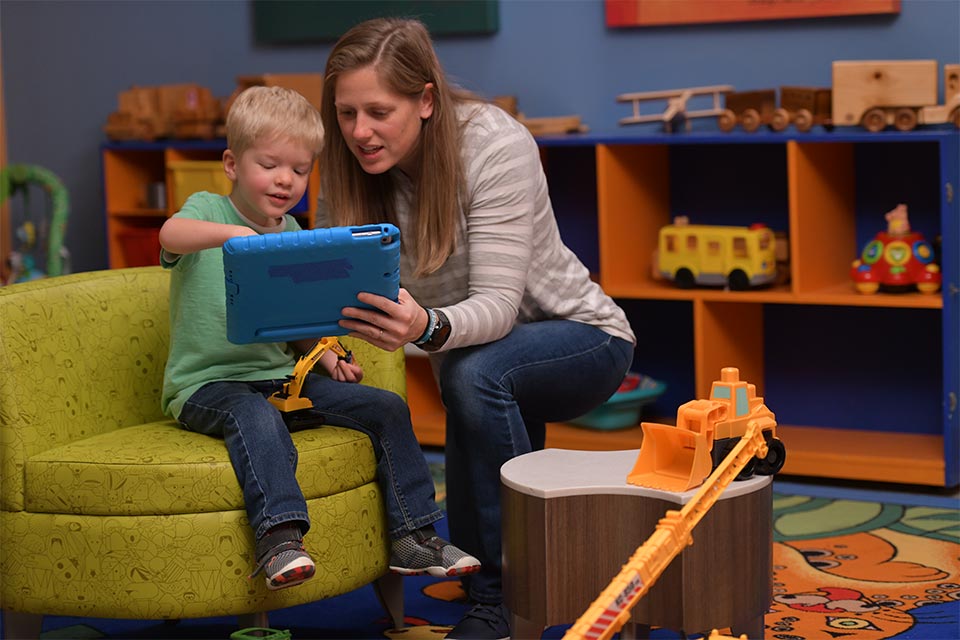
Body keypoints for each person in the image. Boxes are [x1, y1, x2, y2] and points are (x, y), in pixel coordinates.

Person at [317, 18, 637, 639]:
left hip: (582, 339)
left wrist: (424, 325)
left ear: (427, 100)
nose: (360, 132)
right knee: (469, 377)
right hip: (470, 355)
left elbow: (498, 306)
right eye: (346, 113)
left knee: (473, 372)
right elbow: (334, 283)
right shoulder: (349, 163)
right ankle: (484, 568)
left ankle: (509, 594)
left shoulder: (494, 145)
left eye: (379, 111)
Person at [158, 85, 480, 592]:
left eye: (300, 170)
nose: (286, 180)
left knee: (386, 407)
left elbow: (292, 317)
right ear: (232, 163)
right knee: (254, 416)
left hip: (278, 380)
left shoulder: (289, 231)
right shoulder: (207, 211)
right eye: (270, 165)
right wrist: (231, 237)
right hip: (207, 385)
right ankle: (280, 541)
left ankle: (414, 537)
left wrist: (322, 355)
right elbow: (169, 235)